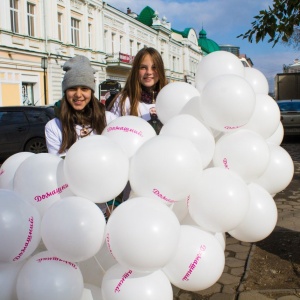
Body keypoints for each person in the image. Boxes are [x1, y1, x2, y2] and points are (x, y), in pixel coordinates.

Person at [45, 55, 116, 156]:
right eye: (73, 88)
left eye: (84, 88)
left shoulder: (109, 119)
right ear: (65, 91)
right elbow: (57, 163)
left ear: (91, 91)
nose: (78, 94)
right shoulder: (54, 126)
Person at [107, 47, 167, 123]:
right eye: (143, 67)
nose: (149, 72)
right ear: (136, 70)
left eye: (154, 67)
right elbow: (113, 129)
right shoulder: (124, 100)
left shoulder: (170, 98)